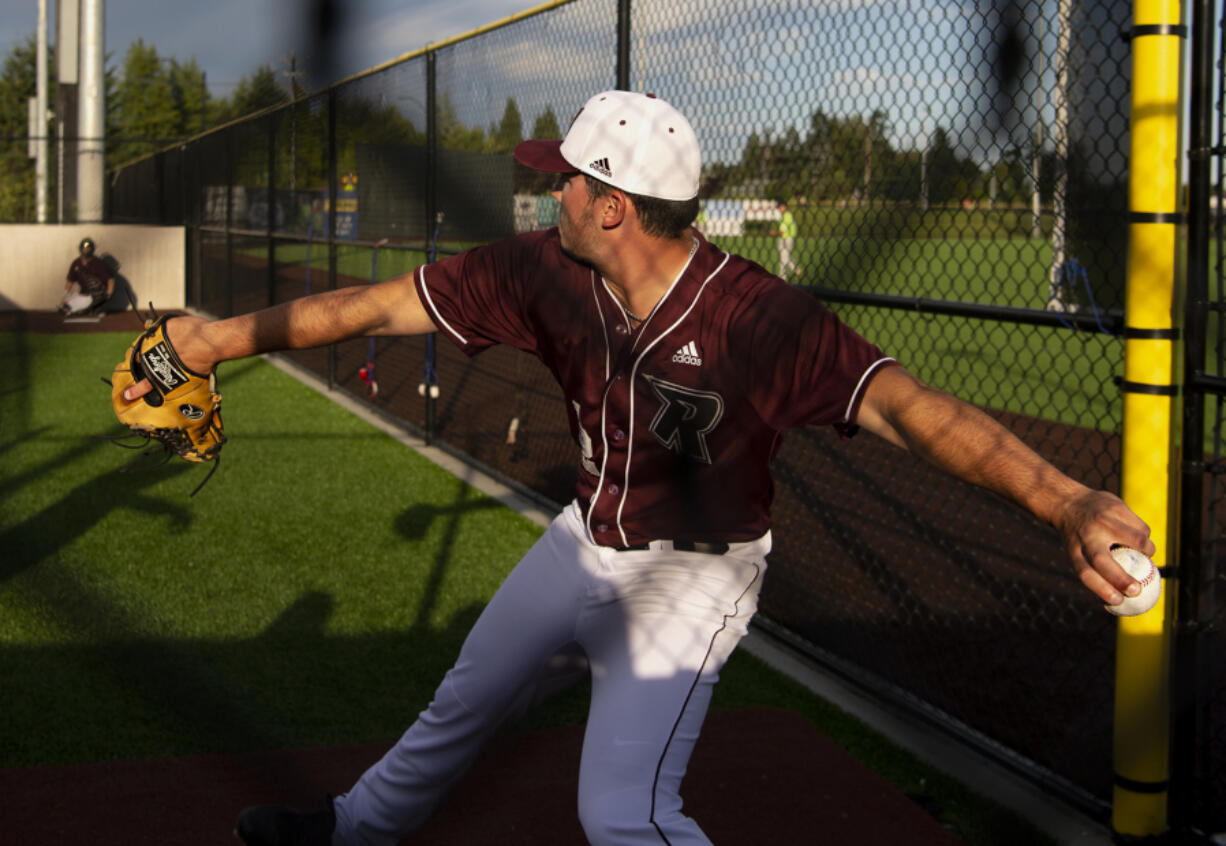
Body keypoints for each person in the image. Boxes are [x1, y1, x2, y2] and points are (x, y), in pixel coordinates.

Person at [120, 91, 1153, 846]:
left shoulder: (755, 315)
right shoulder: (541, 272)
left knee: (620, 815)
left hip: (695, 575)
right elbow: (374, 308)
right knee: (461, 703)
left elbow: (910, 409)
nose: (546, 192)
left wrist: (1062, 499)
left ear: (611, 206)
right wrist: (212, 344)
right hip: (586, 539)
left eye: (561, 179)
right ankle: (354, 832)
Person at [58, 236, 115, 316]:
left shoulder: (98, 263)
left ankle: (98, 308)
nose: (86, 250)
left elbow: (110, 280)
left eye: (89, 248)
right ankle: (86, 309)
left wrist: (108, 295)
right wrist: (66, 296)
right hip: (83, 295)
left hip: (95, 295)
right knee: (65, 308)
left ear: (92, 249)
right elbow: (70, 281)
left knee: (80, 308)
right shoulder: (76, 263)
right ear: (81, 248)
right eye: (84, 248)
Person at [772, 200, 798, 280]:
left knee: (783, 257)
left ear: (784, 207)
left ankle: (782, 276)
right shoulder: (786, 215)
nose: (779, 209)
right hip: (788, 238)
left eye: (780, 207)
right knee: (786, 256)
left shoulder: (786, 215)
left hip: (786, 238)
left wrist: (774, 232)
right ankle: (796, 270)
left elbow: (782, 231)